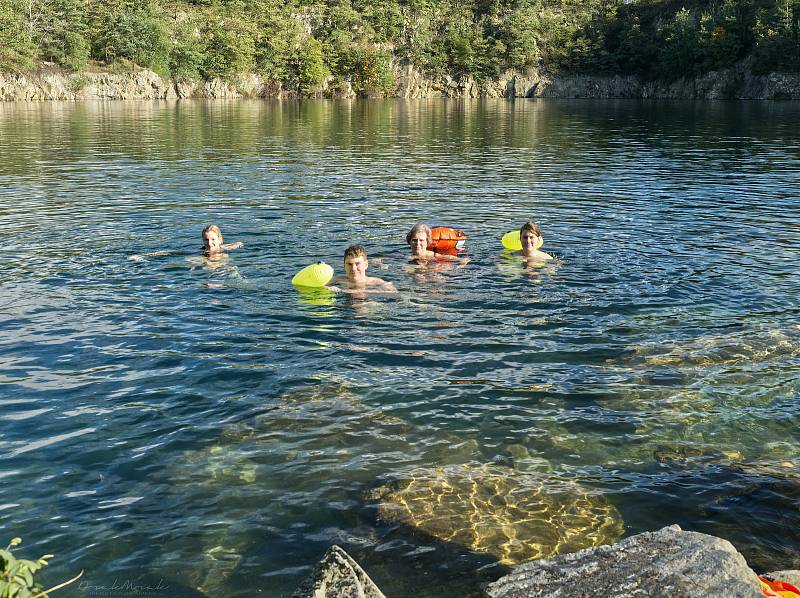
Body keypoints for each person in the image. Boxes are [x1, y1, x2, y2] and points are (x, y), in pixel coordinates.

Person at [332, 244, 397, 293]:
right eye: (349, 264)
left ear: (366, 265)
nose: (353, 268)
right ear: (344, 266)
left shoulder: (377, 283)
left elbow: (394, 292)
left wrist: (349, 291)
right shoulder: (338, 280)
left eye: (357, 264)